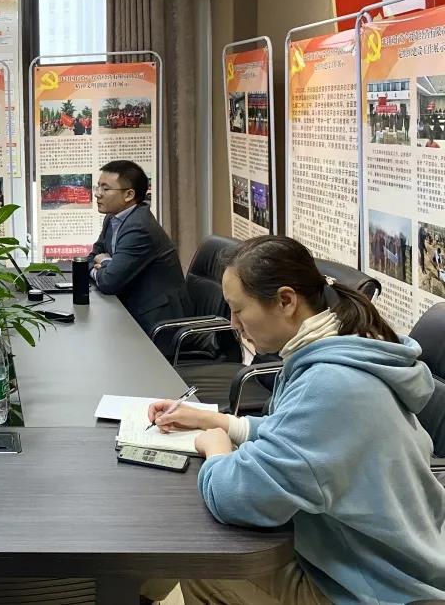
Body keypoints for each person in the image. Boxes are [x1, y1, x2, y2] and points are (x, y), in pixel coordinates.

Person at [142, 236, 445, 605]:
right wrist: (219, 422)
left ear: (285, 300)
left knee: (204, 565)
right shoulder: (344, 349)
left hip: (376, 587)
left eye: (238, 310)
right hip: (398, 556)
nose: (233, 323)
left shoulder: (330, 384)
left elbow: (234, 497)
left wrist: (217, 449)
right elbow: (297, 436)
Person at [87, 159, 190, 337]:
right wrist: (105, 265)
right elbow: (92, 256)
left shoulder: (139, 228)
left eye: (105, 189)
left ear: (129, 195)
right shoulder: (112, 218)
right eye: (98, 187)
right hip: (130, 309)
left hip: (157, 323)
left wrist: (104, 263)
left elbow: (109, 282)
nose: (98, 194)